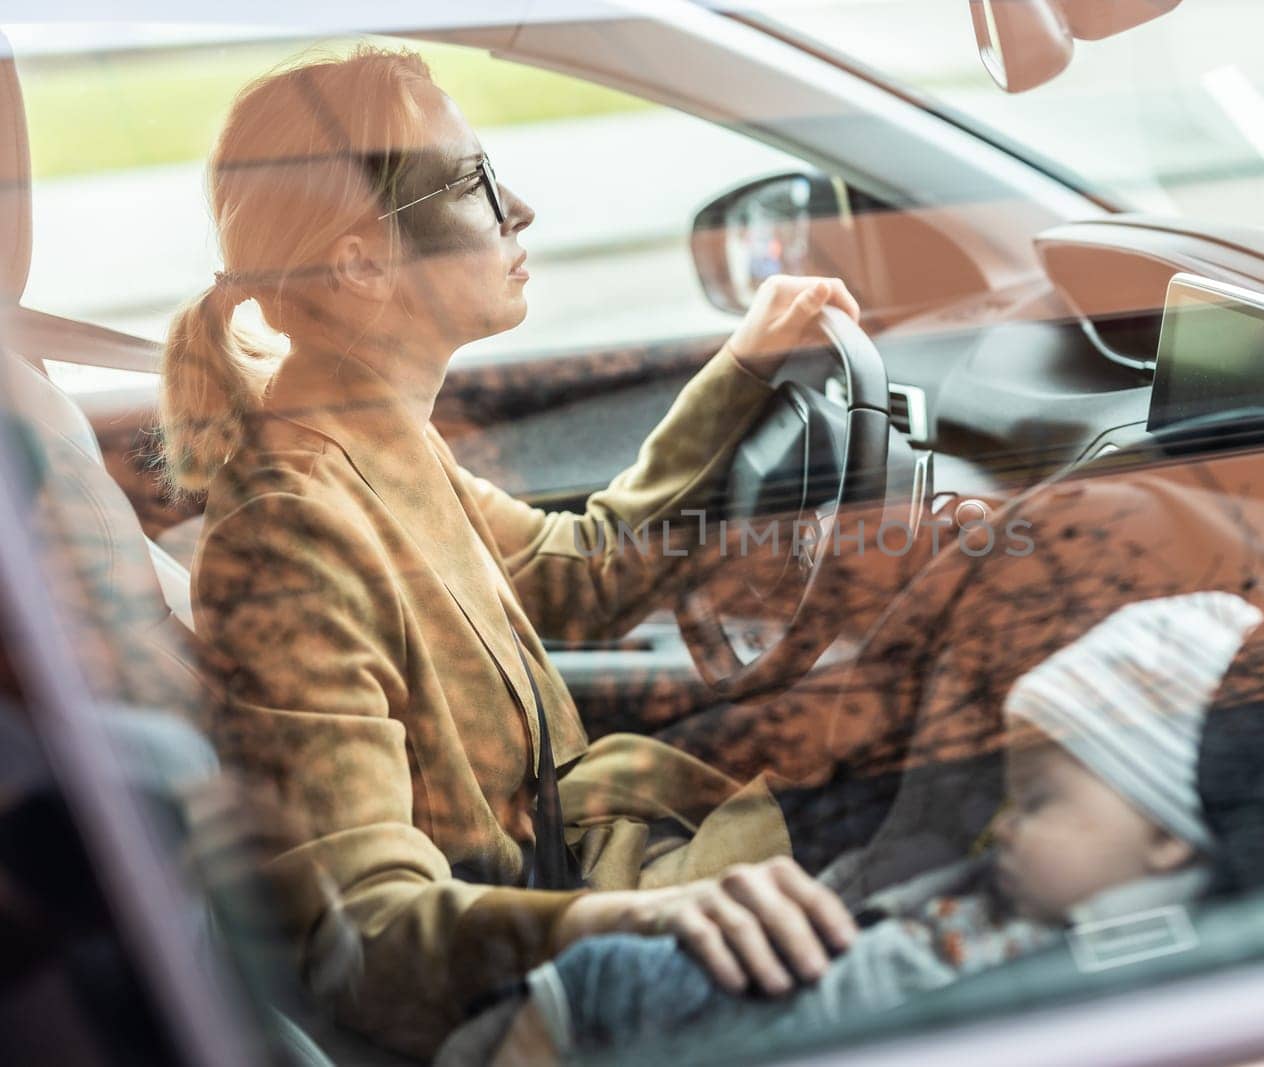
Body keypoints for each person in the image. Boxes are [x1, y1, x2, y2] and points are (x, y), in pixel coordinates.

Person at [160, 46, 862, 1058]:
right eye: (477, 183)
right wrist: (620, 925)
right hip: (552, 981)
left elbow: (581, 574)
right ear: (361, 263)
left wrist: (743, 368)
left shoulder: (379, 442)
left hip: (597, 885)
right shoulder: (287, 536)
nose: (518, 208)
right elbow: (360, 926)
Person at [436, 591, 1264, 1064]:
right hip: (798, 988)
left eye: (1039, 802)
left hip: (798, 1018)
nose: (1003, 826)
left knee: (588, 987)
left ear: (1170, 835)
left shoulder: (1127, 961)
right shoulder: (1043, 896)